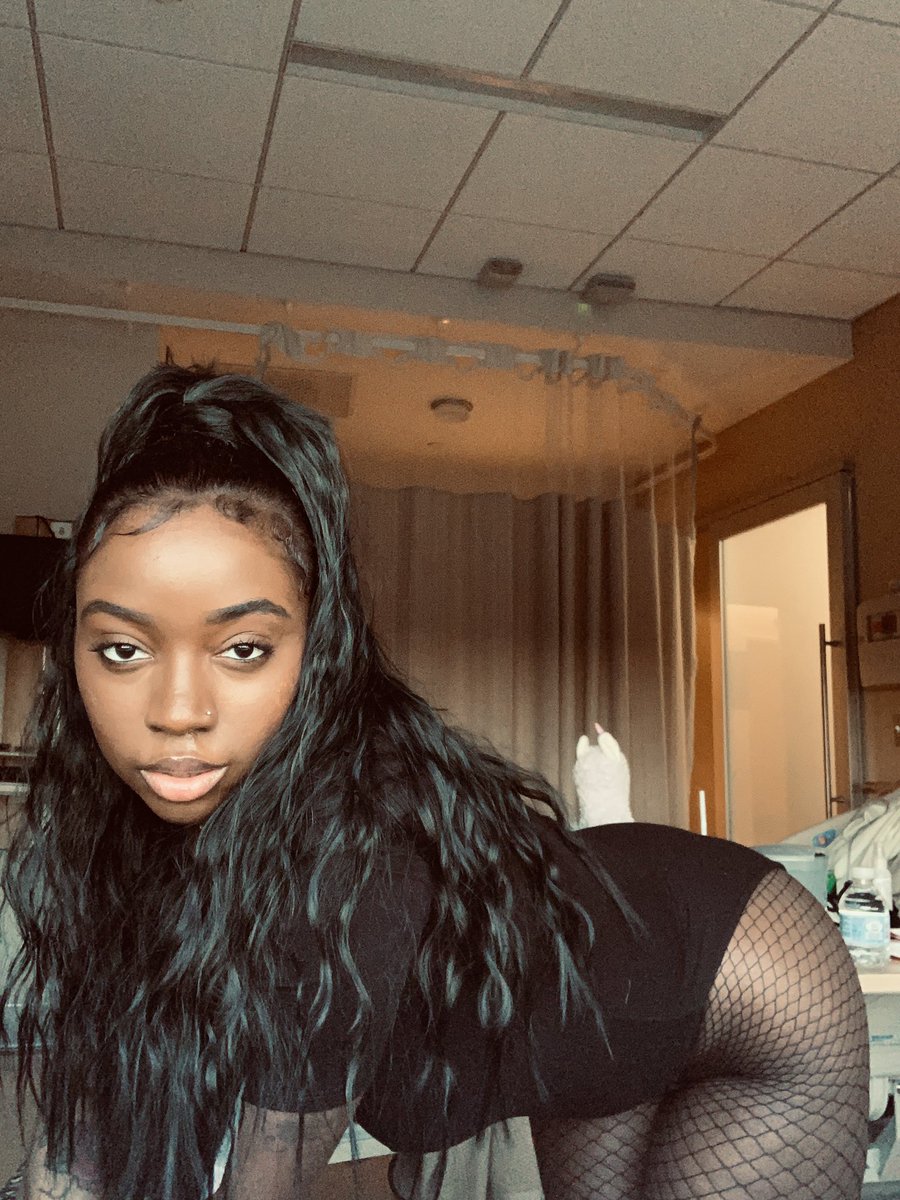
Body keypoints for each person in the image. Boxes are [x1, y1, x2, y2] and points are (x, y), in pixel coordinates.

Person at [0, 364, 868, 1200]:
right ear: (71, 651)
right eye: (123, 648)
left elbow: (265, 1186)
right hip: (607, 1011)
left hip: (752, 982)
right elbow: (95, 1132)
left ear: (318, 650)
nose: (177, 712)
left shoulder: (349, 843)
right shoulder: (127, 839)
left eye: (244, 649)